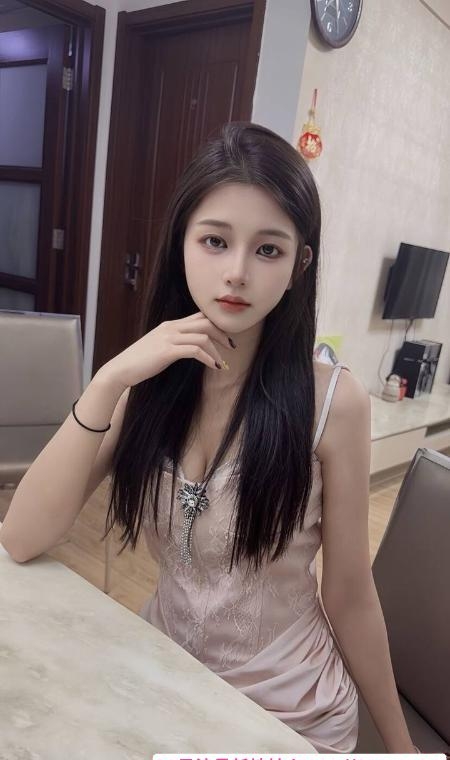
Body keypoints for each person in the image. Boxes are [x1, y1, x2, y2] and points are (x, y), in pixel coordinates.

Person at [0, 122, 417, 753]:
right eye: (215, 241)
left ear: (299, 266)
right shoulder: (149, 382)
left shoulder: (335, 402)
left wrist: (401, 747)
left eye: (268, 250)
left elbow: (350, 593)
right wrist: (109, 379)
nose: (237, 273)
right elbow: (21, 537)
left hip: (288, 709)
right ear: (182, 245)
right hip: (165, 677)